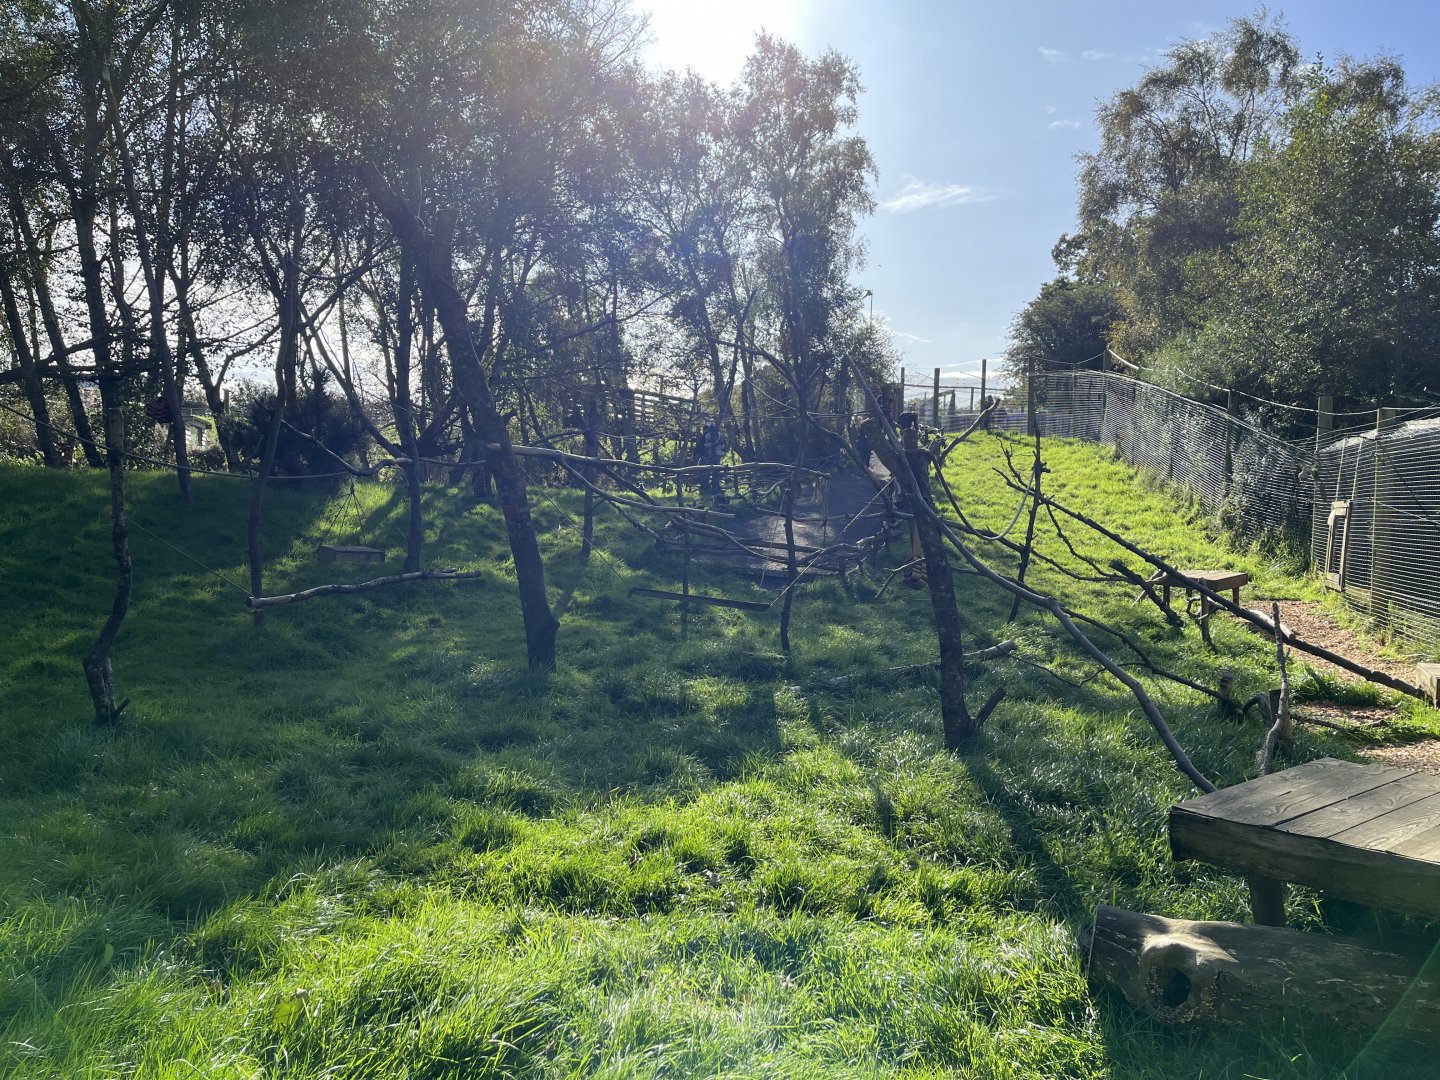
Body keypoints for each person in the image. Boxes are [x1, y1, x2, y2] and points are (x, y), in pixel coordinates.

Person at [695, 421, 728, 498]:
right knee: (716, 470)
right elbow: (723, 445)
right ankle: (715, 485)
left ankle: (706, 485)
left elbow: (705, 444)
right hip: (718, 454)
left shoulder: (708, 435)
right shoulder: (721, 435)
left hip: (710, 454)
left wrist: (713, 445)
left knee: (708, 470)